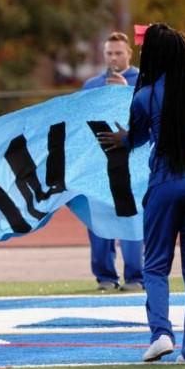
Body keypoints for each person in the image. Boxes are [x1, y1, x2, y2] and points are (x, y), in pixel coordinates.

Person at [97, 24, 185, 363]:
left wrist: (121, 139)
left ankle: (161, 334)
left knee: (156, 267)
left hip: (166, 184)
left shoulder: (144, 95)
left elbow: (136, 137)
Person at [82, 32, 144, 291]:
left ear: (129, 53)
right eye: (109, 53)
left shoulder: (143, 80)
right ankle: (105, 276)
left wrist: (124, 93)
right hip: (99, 165)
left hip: (134, 163)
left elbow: (148, 116)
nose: (114, 58)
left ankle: (135, 276)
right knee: (99, 222)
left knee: (132, 219)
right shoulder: (92, 85)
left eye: (118, 53)